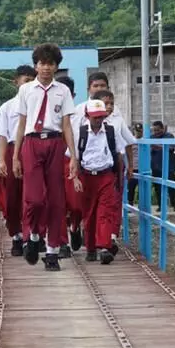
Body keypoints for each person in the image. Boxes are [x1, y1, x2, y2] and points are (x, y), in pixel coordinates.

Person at [13, 44, 79, 271]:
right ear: (35, 65)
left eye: (50, 63)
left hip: (55, 141)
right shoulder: (26, 91)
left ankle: (52, 251)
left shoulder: (63, 91)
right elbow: (21, 124)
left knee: (56, 199)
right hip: (31, 142)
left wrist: (73, 157)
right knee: (35, 198)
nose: (46, 68)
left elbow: (67, 125)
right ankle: (32, 235)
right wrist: (15, 156)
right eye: (42, 63)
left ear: (56, 66)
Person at [0, 65, 36, 255]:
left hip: (32, 149)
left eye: (32, 82)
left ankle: (30, 235)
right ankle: (16, 235)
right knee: (12, 197)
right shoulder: (7, 107)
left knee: (33, 195)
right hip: (11, 150)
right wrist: (1, 161)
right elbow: (1, 135)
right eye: (26, 81)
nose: (29, 86)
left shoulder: (39, 106)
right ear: (16, 82)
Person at [72, 96, 123, 265]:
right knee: (89, 213)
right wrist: (75, 178)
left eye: (101, 116)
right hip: (86, 176)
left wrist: (119, 176)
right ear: (87, 116)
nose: (98, 120)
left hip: (106, 175)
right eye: (95, 117)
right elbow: (74, 159)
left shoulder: (111, 131)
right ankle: (91, 247)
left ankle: (104, 247)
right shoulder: (79, 132)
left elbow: (119, 153)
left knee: (104, 212)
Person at [56, 75, 80, 259]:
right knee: (57, 203)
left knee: (76, 203)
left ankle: (75, 225)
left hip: (74, 161)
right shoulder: (48, 113)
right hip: (54, 161)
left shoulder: (81, 114)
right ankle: (62, 242)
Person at [150, 120, 175, 211]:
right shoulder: (151, 137)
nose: (156, 132)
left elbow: (171, 148)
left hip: (168, 166)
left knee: (172, 186)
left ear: (163, 129)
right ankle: (161, 206)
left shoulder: (169, 136)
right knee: (158, 187)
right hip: (156, 166)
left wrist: (157, 146)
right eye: (154, 130)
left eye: (158, 130)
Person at [127, 122, 144, 206]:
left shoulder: (146, 141)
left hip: (143, 167)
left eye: (140, 131)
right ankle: (130, 204)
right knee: (131, 187)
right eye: (137, 130)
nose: (138, 132)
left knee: (143, 188)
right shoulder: (130, 140)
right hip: (133, 167)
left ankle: (142, 205)